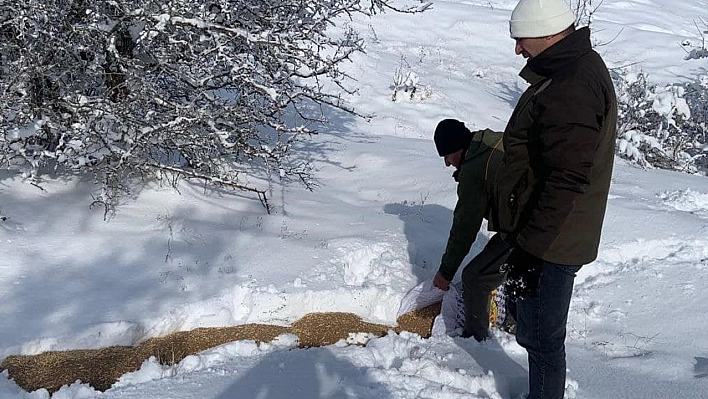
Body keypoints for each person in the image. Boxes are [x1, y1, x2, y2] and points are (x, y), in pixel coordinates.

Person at [490, 0, 618, 398]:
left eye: (520, 40)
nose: (517, 50)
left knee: (544, 341)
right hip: (547, 231)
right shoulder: (571, 68)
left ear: (545, 31)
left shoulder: (572, 85)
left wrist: (533, 250)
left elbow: (567, 177)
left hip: (554, 240)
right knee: (536, 332)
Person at [431, 118, 513, 342]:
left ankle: (476, 340)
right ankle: (516, 322)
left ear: (457, 148)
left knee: (474, 277)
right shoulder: (488, 142)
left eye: (447, 156)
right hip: (543, 220)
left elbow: (464, 228)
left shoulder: (475, 168)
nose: (447, 163)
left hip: (528, 228)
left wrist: (445, 273)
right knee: (514, 269)